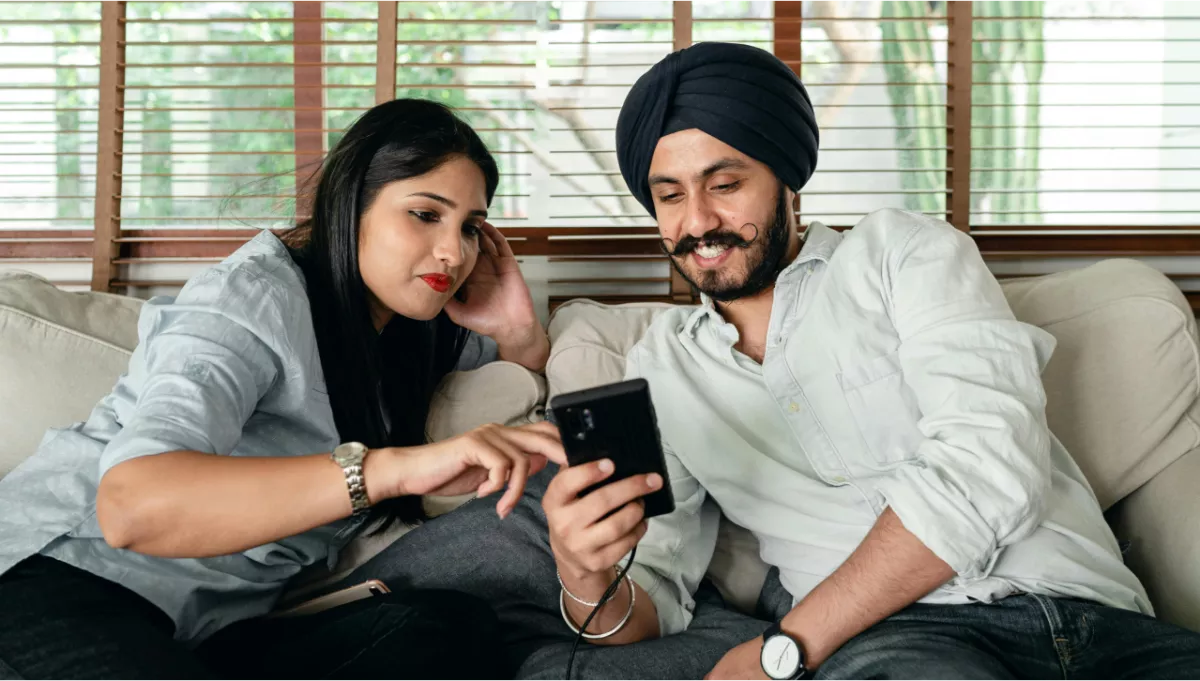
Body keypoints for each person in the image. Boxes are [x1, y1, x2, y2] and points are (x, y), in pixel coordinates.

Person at [347, 42, 1200, 681]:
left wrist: (789, 645)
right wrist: (585, 577)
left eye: (727, 182)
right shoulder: (662, 372)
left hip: (1099, 618)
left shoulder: (906, 255)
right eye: (670, 195)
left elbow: (988, 466)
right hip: (904, 649)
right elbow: (653, 604)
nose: (698, 221)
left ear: (788, 179)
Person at [0, 98, 566, 681]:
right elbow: (130, 505)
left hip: (214, 631)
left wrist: (517, 330)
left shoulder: (415, 334)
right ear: (351, 207)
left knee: (449, 628)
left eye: (470, 227)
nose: (454, 251)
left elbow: (522, 361)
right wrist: (390, 470)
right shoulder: (249, 300)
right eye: (425, 214)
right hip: (64, 580)